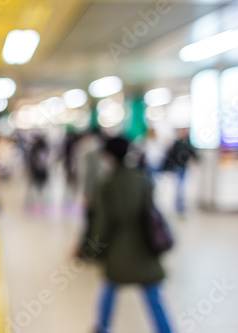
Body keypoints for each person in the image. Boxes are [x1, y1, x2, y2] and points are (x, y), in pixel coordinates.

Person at [78, 136, 172, 333]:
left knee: (110, 288)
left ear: (109, 156)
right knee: (153, 296)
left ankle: (102, 327)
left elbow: (102, 223)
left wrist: (92, 250)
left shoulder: (107, 183)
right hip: (144, 246)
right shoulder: (142, 178)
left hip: (118, 249)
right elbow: (151, 210)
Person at [162, 128, 197, 217]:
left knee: (181, 187)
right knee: (179, 187)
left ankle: (180, 206)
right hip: (177, 167)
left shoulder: (187, 143)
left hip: (183, 167)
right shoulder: (177, 143)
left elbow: (192, 153)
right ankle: (179, 206)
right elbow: (171, 155)